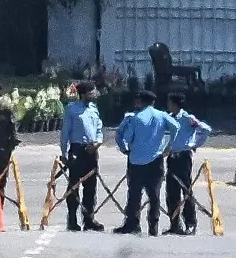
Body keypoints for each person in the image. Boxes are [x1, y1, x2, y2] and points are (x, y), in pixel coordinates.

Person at [114, 90, 173, 235]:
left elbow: (127, 138)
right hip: (156, 159)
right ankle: (153, 226)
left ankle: (132, 224)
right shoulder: (161, 115)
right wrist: (169, 146)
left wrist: (124, 148)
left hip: (136, 161)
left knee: (134, 193)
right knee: (154, 195)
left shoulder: (135, 118)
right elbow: (176, 127)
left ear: (142, 101)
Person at [161, 93, 213, 235]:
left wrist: (194, 143)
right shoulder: (169, 118)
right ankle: (174, 223)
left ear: (176, 104)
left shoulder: (187, 118)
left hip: (183, 157)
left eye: (170, 102)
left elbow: (206, 129)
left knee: (186, 190)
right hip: (171, 157)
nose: (168, 105)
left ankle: (190, 223)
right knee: (171, 191)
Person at [59, 82, 105, 232]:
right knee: (74, 186)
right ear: (84, 94)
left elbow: (99, 129)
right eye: (92, 92)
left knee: (91, 187)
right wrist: (64, 153)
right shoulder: (72, 109)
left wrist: (98, 143)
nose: (95, 94)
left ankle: (89, 219)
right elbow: (65, 132)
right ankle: (72, 219)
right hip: (77, 150)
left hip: (91, 151)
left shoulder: (94, 109)